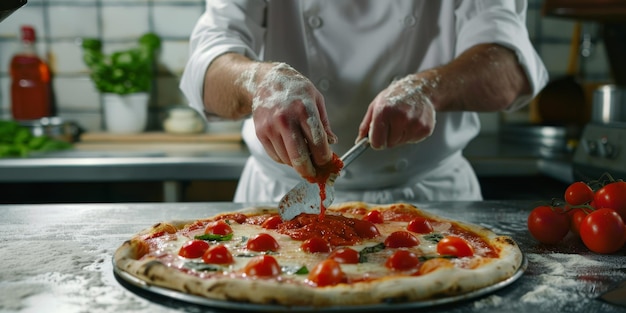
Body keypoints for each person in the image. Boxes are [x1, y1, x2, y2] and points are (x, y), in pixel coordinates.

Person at [180, 0, 548, 204]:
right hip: (281, 198)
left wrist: (429, 89)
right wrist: (261, 83)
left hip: (430, 199)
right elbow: (207, 65)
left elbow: (509, 66)